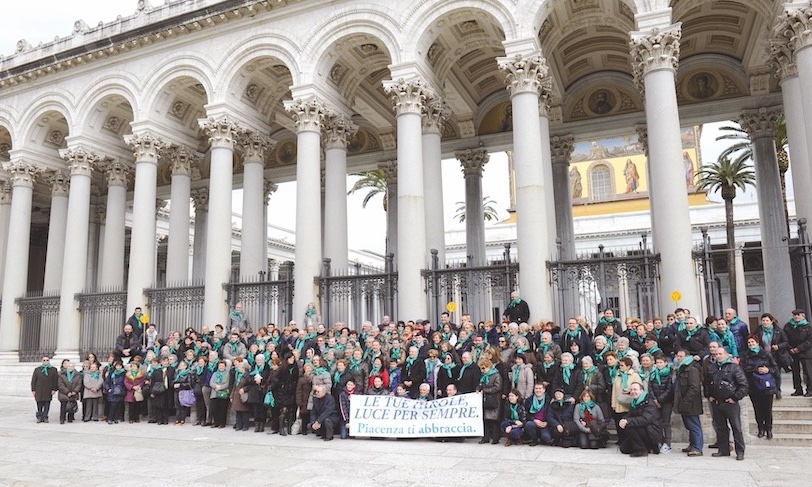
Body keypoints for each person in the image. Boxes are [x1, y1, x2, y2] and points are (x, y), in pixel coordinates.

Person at [705, 346, 749, 460]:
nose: (718, 356)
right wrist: (709, 395)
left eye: (720, 354)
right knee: (721, 427)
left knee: (736, 428)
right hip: (717, 402)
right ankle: (723, 449)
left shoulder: (734, 368)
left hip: (730, 403)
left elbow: (743, 385)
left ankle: (740, 451)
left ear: (726, 355)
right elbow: (707, 383)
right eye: (716, 354)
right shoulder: (712, 367)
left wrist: (735, 397)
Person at [740, 334, 778, 439]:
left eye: (753, 342)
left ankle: (769, 429)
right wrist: (756, 369)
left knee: (767, 409)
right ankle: (761, 428)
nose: (751, 344)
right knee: (757, 409)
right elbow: (743, 368)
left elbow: (775, 368)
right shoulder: (745, 355)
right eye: (749, 343)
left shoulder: (766, 354)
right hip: (753, 385)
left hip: (767, 386)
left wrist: (768, 370)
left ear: (757, 343)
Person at [618, 381, 662, 457]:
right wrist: (623, 419)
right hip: (642, 430)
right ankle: (646, 447)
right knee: (624, 449)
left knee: (629, 425)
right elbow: (629, 415)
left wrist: (628, 421)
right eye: (631, 390)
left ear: (641, 391)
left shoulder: (649, 402)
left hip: (651, 432)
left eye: (635, 389)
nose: (632, 392)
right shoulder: (635, 402)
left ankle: (642, 450)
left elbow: (645, 419)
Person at [756, 313, 791, 399]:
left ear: (771, 321)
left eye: (767, 320)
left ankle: (777, 390)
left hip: (776, 355)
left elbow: (786, 342)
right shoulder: (759, 330)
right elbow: (755, 340)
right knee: (766, 373)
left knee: (776, 373)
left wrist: (778, 346)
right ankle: (768, 389)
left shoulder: (778, 330)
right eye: (763, 320)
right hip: (764, 355)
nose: (765, 322)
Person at [648, 354, 674, 453]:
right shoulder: (653, 373)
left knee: (666, 423)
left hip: (666, 401)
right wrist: (654, 400)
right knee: (657, 422)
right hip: (655, 401)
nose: (659, 364)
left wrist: (660, 400)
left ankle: (667, 443)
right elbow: (650, 387)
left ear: (665, 363)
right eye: (657, 362)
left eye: (661, 363)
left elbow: (669, 389)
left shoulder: (669, 373)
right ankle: (659, 441)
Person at [785, 309, 812, 397]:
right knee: (795, 372)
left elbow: (809, 340)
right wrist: (790, 348)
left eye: (798, 314)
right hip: (792, 352)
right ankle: (798, 389)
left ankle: (810, 389)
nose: (796, 316)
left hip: (806, 352)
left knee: (808, 372)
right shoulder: (788, 326)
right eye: (794, 315)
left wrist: (799, 348)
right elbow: (785, 338)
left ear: (803, 316)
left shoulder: (808, 327)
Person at [478, 358, 502, 444]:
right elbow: (480, 384)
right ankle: (486, 437)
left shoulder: (496, 375)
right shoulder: (484, 376)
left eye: (484, 368)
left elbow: (497, 387)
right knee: (485, 419)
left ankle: (495, 438)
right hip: (486, 399)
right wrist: (478, 389)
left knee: (494, 420)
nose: (482, 370)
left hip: (494, 399)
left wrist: (485, 390)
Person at [31, 356, 58, 423]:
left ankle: (45, 416)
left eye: (47, 360)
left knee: (47, 404)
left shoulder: (53, 369)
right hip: (39, 390)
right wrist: (33, 390)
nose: (45, 361)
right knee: (39, 404)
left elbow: (55, 380)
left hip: (48, 390)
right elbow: (34, 380)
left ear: (49, 361)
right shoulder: (37, 369)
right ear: (42, 361)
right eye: (44, 360)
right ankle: (39, 416)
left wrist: (54, 389)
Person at [57, 360, 82, 424]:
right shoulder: (62, 374)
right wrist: (67, 392)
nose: (70, 368)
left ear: (74, 367)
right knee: (63, 406)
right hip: (64, 393)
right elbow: (60, 384)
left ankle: (70, 418)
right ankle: (62, 419)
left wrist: (75, 391)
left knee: (72, 405)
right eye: (69, 366)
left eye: (71, 366)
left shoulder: (77, 375)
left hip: (73, 393)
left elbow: (79, 384)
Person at [209, 359, 231, 428]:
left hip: (223, 393)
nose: (221, 367)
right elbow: (211, 382)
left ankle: (222, 423)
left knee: (222, 409)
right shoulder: (215, 373)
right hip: (215, 392)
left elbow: (228, 383)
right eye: (220, 366)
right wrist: (216, 386)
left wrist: (221, 387)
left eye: (222, 366)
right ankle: (216, 422)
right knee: (214, 408)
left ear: (225, 366)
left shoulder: (228, 374)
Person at [104, 360, 126, 424]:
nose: (118, 367)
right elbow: (106, 382)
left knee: (118, 405)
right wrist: (108, 389)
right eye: (117, 366)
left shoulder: (124, 373)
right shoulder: (111, 373)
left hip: (120, 390)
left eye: (120, 366)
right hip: (113, 390)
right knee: (113, 405)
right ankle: (110, 418)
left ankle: (116, 418)